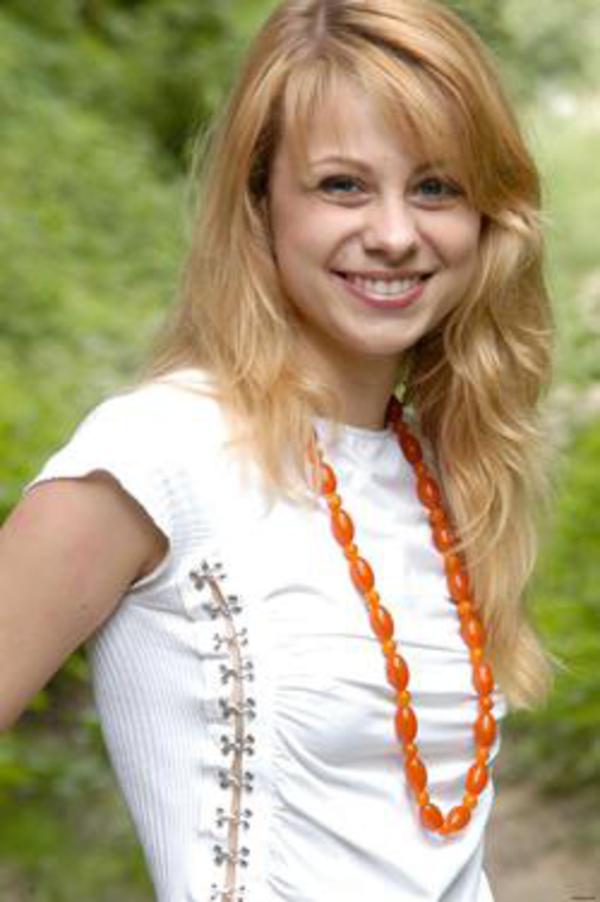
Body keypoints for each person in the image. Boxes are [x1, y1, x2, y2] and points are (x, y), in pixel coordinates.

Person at [0, 0, 556, 899]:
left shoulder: (446, 468)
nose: (395, 234)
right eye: (342, 185)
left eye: (436, 188)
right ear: (259, 202)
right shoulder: (160, 451)